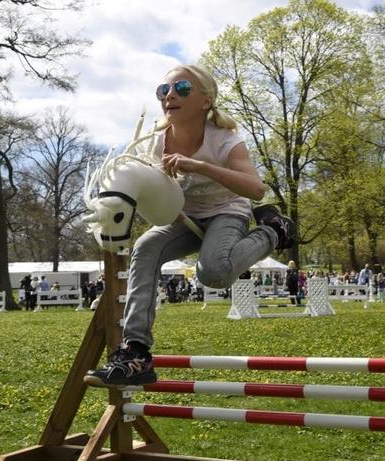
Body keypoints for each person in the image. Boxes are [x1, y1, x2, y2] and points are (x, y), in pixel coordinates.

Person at [85, 64, 295, 387]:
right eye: (164, 91)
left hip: (228, 212)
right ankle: (136, 351)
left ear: (206, 101)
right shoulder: (154, 143)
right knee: (146, 247)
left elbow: (256, 189)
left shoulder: (225, 140)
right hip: (186, 216)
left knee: (212, 272)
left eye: (182, 89)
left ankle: (273, 230)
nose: (170, 95)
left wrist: (200, 166)